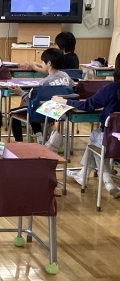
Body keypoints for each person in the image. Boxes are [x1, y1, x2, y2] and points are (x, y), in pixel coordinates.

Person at [54, 52, 120, 197]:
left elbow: (88, 105)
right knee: (96, 137)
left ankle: (107, 181)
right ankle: (83, 174)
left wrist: (65, 101)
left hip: (112, 140)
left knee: (97, 138)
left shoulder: (111, 89)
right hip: (116, 140)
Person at [9, 48, 75, 142]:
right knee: (33, 107)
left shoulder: (44, 82)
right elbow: (73, 89)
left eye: (43, 62)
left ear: (49, 63)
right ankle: (39, 136)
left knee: (17, 111)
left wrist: (21, 92)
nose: (42, 64)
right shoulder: (66, 76)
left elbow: (32, 102)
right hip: (61, 112)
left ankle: (20, 142)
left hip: (45, 112)